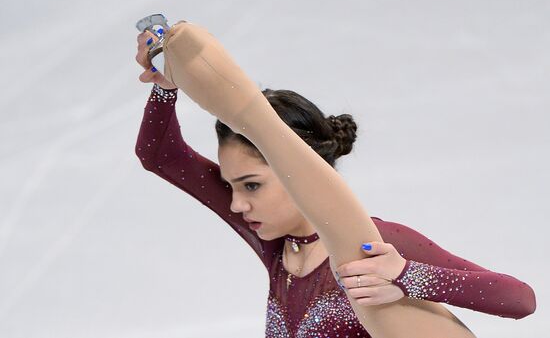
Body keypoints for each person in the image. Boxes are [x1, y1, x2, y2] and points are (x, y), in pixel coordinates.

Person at [134, 22, 536, 337]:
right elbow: (160, 157)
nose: (237, 204)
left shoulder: (377, 241)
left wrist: (407, 277)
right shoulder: (274, 242)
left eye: (251, 184)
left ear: (301, 168)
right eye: (232, 185)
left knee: (365, 275)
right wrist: (166, 89)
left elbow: (520, 299)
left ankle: (260, 124)